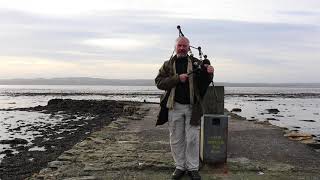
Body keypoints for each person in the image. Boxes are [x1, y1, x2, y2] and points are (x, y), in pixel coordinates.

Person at [155, 36, 214, 180]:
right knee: (176, 139)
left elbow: (204, 83)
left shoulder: (196, 63)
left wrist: (210, 72)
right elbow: (158, 82)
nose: (182, 48)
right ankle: (180, 167)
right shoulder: (167, 64)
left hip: (192, 108)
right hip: (173, 107)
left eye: (184, 46)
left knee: (192, 139)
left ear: (189, 47)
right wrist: (177, 79)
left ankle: (193, 168)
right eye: (179, 45)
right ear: (175, 47)